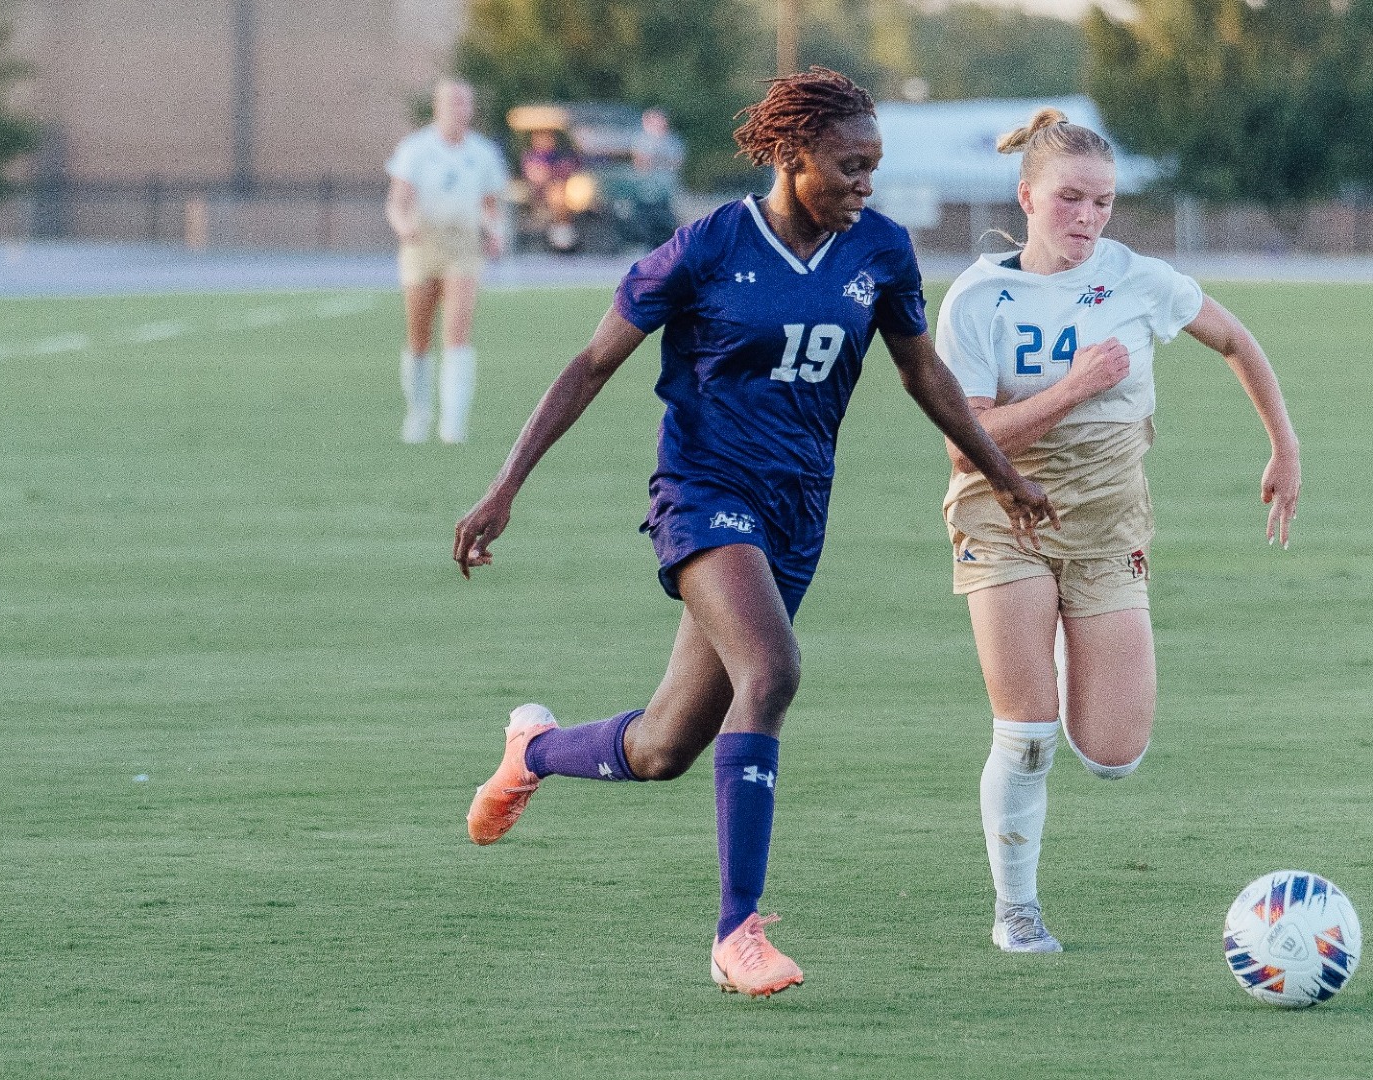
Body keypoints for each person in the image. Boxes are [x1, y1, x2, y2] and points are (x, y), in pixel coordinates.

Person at [452, 68, 1057, 998]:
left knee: (662, 749)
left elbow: (922, 372)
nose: (867, 184)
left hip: (796, 515)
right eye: (850, 166)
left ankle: (531, 751)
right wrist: (504, 488)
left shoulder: (882, 252)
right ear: (792, 155)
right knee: (771, 673)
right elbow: (589, 365)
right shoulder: (706, 248)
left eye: (875, 167)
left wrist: (1003, 471)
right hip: (702, 495)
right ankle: (737, 933)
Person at [934, 109, 1301, 953]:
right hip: (1004, 516)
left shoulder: (1141, 280)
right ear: (1027, 197)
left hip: (1106, 527)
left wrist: (1284, 443)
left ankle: (1070, 642)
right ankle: (1016, 909)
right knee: (1027, 736)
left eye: (1103, 202)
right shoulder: (978, 300)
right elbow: (965, 446)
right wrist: (1073, 387)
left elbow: (1236, 340)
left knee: (1112, 752)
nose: (1088, 219)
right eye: (1070, 199)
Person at [385, 78, 509, 444]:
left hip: (463, 248)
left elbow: (490, 205)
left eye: (465, 103)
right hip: (422, 246)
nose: (460, 110)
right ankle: (418, 414)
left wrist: (495, 231)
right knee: (419, 334)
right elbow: (397, 202)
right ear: (438, 107)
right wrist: (403, 225)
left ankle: (453, 424)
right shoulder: (416, 150)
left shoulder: (482, 153)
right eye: (453, 103)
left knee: (457, 330)